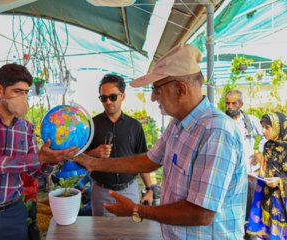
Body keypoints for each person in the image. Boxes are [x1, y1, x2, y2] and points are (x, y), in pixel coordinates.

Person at [73, 44, 247, 239]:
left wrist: (137, 210)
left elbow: (202, 213)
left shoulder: (216, 132)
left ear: (180, 89)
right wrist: (94, 162)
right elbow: (148, 160)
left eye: (157, 89)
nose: (153, 97)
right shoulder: (177, 125)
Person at [0, 63, 79, 240]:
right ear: (0, 90)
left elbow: (33, 171)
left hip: (13, 213)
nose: (22, 97)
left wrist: (50, 160)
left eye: (25, 92)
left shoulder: (26, 128)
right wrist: (39, 157)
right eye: (16, 91)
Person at [85, 74, 153, 216]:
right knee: (101, 234)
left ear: (123, 96)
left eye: (113, 97)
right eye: (103, 98)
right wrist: (94, 153)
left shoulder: (135, 126)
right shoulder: (91, 125)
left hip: (129, 190)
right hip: (101, 191)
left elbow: (142, 160)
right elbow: (79, 156)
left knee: (129, 233)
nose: (108, 101)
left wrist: (149, 189)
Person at [224, 89, 265, 239]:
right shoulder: (222, 121)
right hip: (228, 175)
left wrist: (260, 151)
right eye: (227, 103)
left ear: (241, 104)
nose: (230, 106)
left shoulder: (250, 121)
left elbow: (266, 135)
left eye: (234, 103)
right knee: (230, 209)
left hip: (248, 174)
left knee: (249, 210)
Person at [247, 112, 287, 239]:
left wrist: (280, 181)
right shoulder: (268, 146)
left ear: (278, 127)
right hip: (269, 200)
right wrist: (256, 175)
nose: (263, 131)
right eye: (262, 127)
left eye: (267, 127)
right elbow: (266, 171)